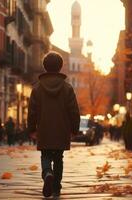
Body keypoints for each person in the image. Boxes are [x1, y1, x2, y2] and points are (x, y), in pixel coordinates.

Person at [28, 52, 80, 197]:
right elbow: (74, 111)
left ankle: (47, 174)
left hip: (44, 130)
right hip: (61, 130)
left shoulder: (37, 88)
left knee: (45, 155)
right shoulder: (67, 88)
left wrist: (32, 129)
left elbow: (32, 111)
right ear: (60, 67)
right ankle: (56, 187)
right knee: (58, 158)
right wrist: (74, 129)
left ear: (44, 67)